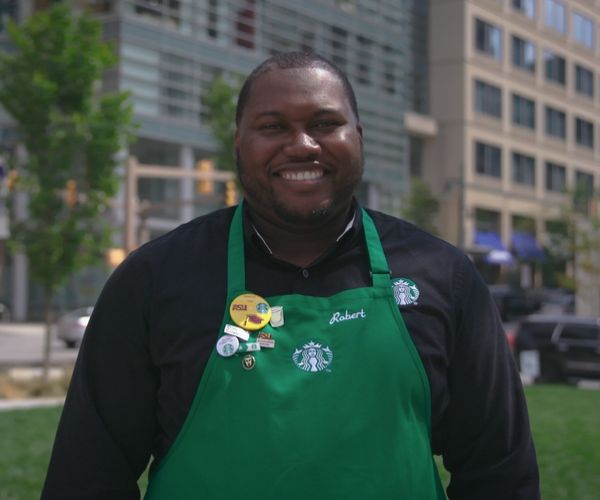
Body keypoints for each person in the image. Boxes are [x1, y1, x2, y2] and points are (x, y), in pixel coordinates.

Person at [42, 51, 540, 499]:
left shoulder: (443, 276)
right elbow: (88, 476)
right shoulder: (152, 279)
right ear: (239, 144)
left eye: (325, 123)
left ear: (358, 138)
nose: (301, 145)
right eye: (273, 126)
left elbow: (500, 473)